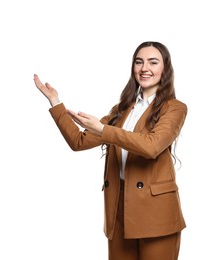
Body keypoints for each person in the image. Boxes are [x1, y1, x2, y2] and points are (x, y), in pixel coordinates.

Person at [33, 41, 187, 260]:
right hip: (118, 209)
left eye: (153, 62)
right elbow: (79, 141)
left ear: (165, 69)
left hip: (156, 213)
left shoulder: (175, 108)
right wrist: (55, 101)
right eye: (139, 62)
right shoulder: (122, 109)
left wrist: (103, 129)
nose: (145, 68)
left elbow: (151, 146)